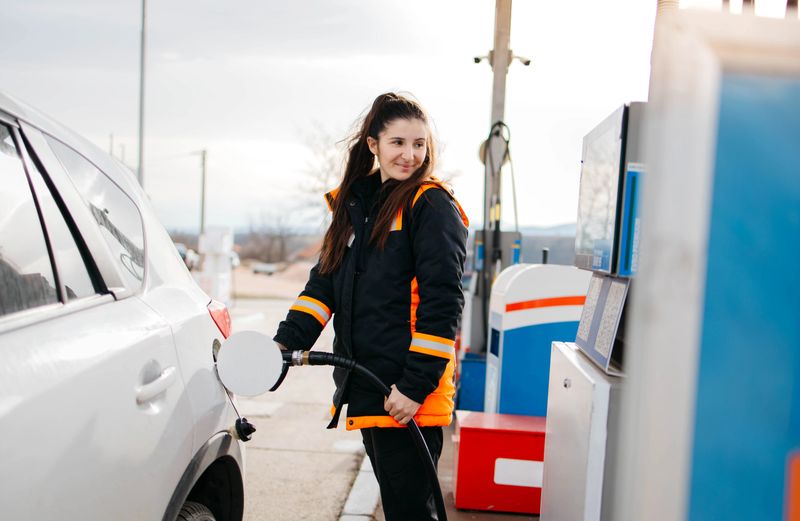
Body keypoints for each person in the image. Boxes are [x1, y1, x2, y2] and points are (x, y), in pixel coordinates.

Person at [273, 92, 468, 520]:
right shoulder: (354, 207)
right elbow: (323, 287)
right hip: (370, 387)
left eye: (420, 144)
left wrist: (415, 388)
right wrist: (283, 347)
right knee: (403, 509)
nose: (411, 154)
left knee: (411, 512)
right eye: (398, 142)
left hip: (406, 394)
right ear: (372, 144)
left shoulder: (429, 204)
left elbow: (444, 300)